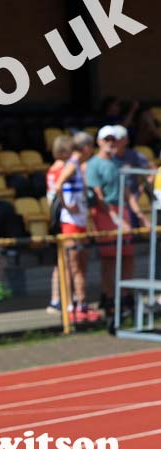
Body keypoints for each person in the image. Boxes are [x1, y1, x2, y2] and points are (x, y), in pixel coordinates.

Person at [86, 126, 134, 321]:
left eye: (113, 139)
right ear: (99, 141)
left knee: (127, 256)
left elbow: (126, 192)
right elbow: (98, 196)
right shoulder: (94, 164)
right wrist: (115, 218)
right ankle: (109, 297)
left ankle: (125, 296)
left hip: (120, 210)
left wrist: (138, 214)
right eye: (106, 139)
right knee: (110, 258)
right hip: (106, 214)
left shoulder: (116, 163)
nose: (110, 143)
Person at [55, 132, 98, 323]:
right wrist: (67, 206)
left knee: (81, 265)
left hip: (79, 222)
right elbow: (58, 185)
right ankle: (73, 305)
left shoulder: (78, 165)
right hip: (72, 223)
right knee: (75, 265)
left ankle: (81, 303)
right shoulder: (72, 164)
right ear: (87, 148)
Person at [45, 135, 73, 313]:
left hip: (55, 219)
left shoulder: (51, 169)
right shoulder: (63, 168)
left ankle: (56, 299)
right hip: (64, 218)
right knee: (67, 260)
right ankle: (65, 300)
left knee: (60, 261)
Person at [111, 124, 153, 229]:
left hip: (131, 203)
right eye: (112, 139)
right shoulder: (106, 158)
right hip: (112, 205)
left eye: (118, 138)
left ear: (126, 140)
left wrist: (142, 188)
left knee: (131, 237)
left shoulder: (134, 155)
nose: (115, 142)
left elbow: (152, 170)